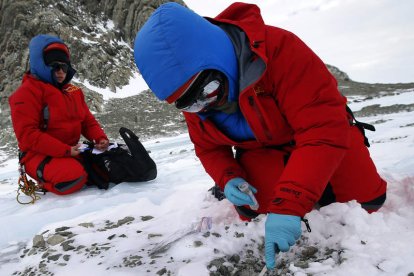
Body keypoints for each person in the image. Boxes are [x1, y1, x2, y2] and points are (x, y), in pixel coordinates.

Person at [133, 2, 387, 269]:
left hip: (325, 134)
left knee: (366, 200)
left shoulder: (281, 48)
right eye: (189, 104)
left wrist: (289, 204)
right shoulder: (195, 96)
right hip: (261, 150)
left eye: (208, 91)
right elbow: (208, 148)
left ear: (219, 56)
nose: (205, 106)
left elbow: (322, 129)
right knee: (255, 210)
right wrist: (228, 178)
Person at [9, 34, 109, 195]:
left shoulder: (73, 91)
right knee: (73, 177)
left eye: (65, 66)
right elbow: (28, 135)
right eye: (55, 66)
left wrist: (100, 138)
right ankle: (44, 184)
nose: (61, 72)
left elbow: (87, 121)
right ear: (41, 64)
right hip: (37, 155)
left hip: (71, 151)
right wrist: (66, 150)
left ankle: (80, 168)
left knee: (108, 166)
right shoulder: (25, 94)